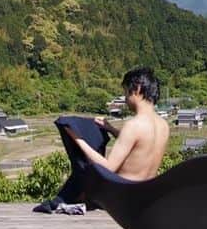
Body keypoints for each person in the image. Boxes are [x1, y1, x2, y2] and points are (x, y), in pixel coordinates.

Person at [38, 67, 170, 213]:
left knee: (85, 169)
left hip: (122, 196)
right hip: (144, 195)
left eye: (126, 92)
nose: (125, 99)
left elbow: (108, 168)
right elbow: (139, 145)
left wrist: (78, 139)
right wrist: (111, 129)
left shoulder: (133, 125)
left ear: (137, 89)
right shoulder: (163, 125)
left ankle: (62, 202)